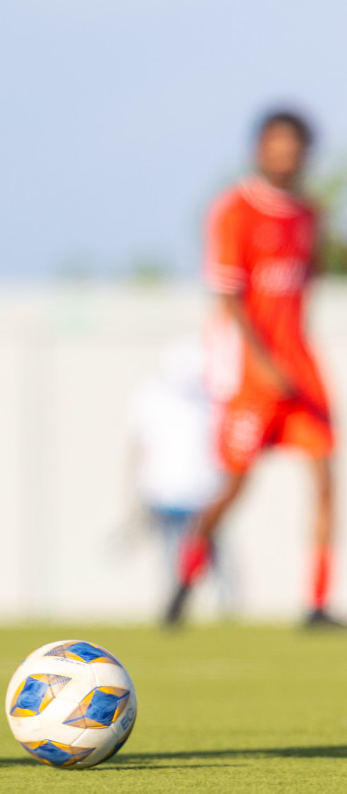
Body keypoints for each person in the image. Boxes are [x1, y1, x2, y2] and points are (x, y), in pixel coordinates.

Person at [166, 110, 341, 628]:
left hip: (300, 368)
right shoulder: (235, 211)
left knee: (326, 478)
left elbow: (303, 288)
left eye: (295, 146)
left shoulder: (310, 215)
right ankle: (186, 577)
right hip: (252, 373)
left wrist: (295, 357)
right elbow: (228, 297)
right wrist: (263, 366)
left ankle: (316, 604)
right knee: (236, 485)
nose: (285, 154)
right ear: (259, 150)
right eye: (276, 144)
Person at [126, 340, 233, 613]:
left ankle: (226, 609)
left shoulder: (213, 396)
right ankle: (175, 609)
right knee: (172, 558)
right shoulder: (151, 395)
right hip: (165, 495)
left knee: (215, 561)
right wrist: (138, 492)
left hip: (205, 496)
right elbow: (140, 446)